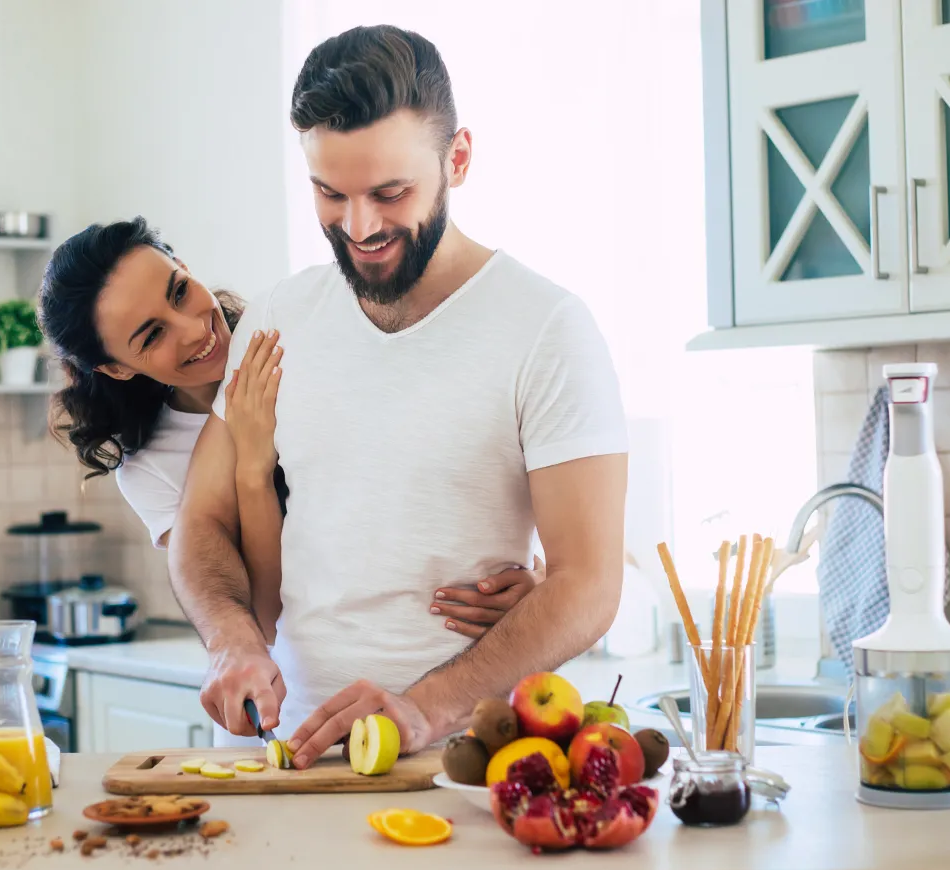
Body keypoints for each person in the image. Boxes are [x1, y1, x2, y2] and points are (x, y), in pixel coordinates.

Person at [173, 24, 629, 768]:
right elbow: (202, 519)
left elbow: (588, 582)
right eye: (330, 194)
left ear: (458, 159)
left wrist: (421, 710)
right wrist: (231, 639)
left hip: (454, 763)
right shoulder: (279, 319)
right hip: (277, 755)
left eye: (390, 193)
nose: (359, 227)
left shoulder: (547, 328)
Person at [36, 219, 543, 741]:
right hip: (285, 703)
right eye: (152, 335)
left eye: (180, 291)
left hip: (431, 692)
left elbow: (409, 483)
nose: (191, 328)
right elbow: (266, 609)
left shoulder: (291, 336)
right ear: (117, 369)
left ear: (185, 269)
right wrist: (251, 470)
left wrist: (536, 579)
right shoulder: (151, 465)